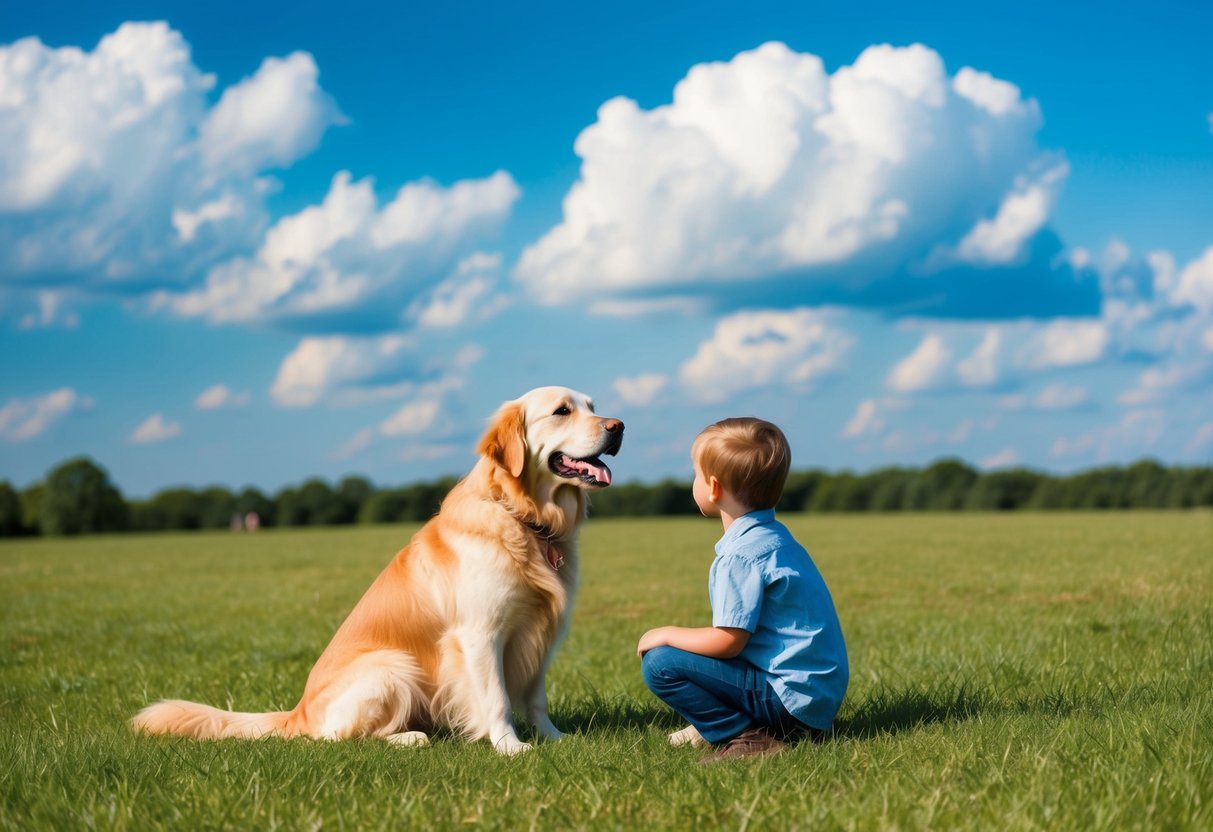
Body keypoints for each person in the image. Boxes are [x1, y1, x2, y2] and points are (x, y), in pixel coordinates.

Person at [637, 417, 848, 762]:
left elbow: (729, 642)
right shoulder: (778, 538)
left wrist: (666, 633)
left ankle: (746, 736)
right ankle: (727, 725)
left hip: (788, 702)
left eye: (696, 474)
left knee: (661, 663)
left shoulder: (741, 556)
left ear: (714, 488)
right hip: (815, 700)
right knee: (692, 655)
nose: (693, 482)